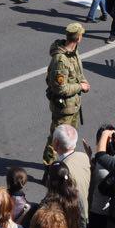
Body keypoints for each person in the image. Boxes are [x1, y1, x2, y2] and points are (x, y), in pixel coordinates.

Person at [44, 23, 89, 165]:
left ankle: (66, 163)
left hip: (73, 105)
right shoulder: (61, 60)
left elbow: (77, 72)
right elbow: (60, 88)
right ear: (79, 37)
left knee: (70, 140)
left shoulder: (74, 51)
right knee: (56, 140)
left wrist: (83, 81)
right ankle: (49, 167)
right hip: (63, 108)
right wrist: (80, 86)